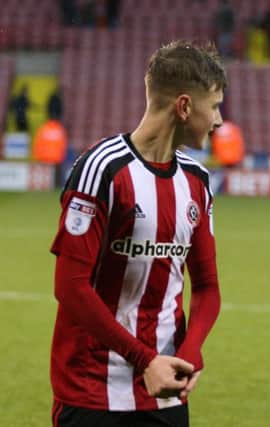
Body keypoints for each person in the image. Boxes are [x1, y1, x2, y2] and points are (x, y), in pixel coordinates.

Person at [49, 40, 225, 427]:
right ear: (183, 106)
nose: (218, 121)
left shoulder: (197, 180)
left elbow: (208, 288)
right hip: (91, 389)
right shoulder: (103, 169)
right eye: (213, 106)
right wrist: (145, 360)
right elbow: (70, 285)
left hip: (165, 392)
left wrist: (191, 353)